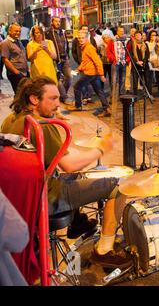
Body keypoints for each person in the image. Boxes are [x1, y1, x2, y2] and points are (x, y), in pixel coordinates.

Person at [1, 76, 132, 269]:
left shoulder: (11, 119)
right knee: (118, 184)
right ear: (34, 100)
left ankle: (77, 222)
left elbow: (52, 160)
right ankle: (103, 250)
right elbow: (69, 165)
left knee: (80, 177)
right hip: (47, 196)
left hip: (24, 197)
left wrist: (53, 116)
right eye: (53, 99)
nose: (58, 104)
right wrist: (101, 149)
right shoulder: (40, 126)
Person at [66, 31, 111, 118]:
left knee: (76, 87)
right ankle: (107, 109)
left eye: (82, 38)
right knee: (99, 91)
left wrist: (101, 75)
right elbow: (85, 61)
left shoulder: (89, 48)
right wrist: (78, 69)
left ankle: (78, 106)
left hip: (90, 73)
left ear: (87, 38)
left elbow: (97, 61)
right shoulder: (84, 47)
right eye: (79, 38)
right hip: (92, 73)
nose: (80, 40)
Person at [45, 17, 71, 103]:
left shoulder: (62, 32)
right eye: (56, 21)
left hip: (65, 58)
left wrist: (67, 55)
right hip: (56, 59)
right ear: (52, 22)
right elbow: (46, 45)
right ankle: (64, 97)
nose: (58, 23)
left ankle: (62, 94)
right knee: (58, 79)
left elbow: (66, 44)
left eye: (59, 21)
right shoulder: (48, 33)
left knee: (69, 77)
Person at [1, 23, 29, 95]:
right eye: (16, 31)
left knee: (23, 94)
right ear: (9, 31)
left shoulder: (18, 41)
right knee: (20, 94)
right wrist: (17, 72)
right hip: (15, 74)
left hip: (24, 73)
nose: (18, 33)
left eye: (19, 31)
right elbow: (5, 60)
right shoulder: (5, 43)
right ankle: (16, 106)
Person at [106, 26, 127, 95]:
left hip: (123, 62)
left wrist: (127, 59)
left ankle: (121, 94)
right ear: (117, 32)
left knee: (123, 79)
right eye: (120, 31)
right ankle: (114, 95)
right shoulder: (112, 40)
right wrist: (113, 59)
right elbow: (108, 51)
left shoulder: (125, 40)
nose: (122, 33)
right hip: (116, 63)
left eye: (123, 31)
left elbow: (129, 50)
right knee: (114, 80)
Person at [145, 30, 159, 97]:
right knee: (150, 78)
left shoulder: (158, 43)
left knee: (158, 77)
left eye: (155, 35)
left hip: (157, 61)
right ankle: (149, 93)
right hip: (150, 61)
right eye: (152, 35)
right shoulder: (147, 43)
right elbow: (149, 50)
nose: (154, 36)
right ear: (149, 36)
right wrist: (153, 43)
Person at [131, 31, 147, 96]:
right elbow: (131, 54)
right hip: (135, 65)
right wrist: (137, 62)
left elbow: (147, 54)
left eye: (139, 35)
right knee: (135, 80)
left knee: (144, 80)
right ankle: (135, 94)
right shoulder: (132, 44)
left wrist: (143, 61)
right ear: (134, 36)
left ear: (141, 36)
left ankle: (145, 93)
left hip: (143, 65)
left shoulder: (145, 44)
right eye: (136, 35)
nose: (138, 36)